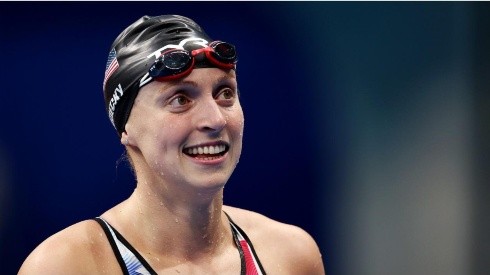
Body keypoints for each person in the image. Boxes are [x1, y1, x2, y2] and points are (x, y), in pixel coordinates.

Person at [19, 15, 325, 275]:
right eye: (180, 99)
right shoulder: (68, 265)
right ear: (127, 127)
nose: (214, 119)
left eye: (225, 93)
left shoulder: (289, 256)